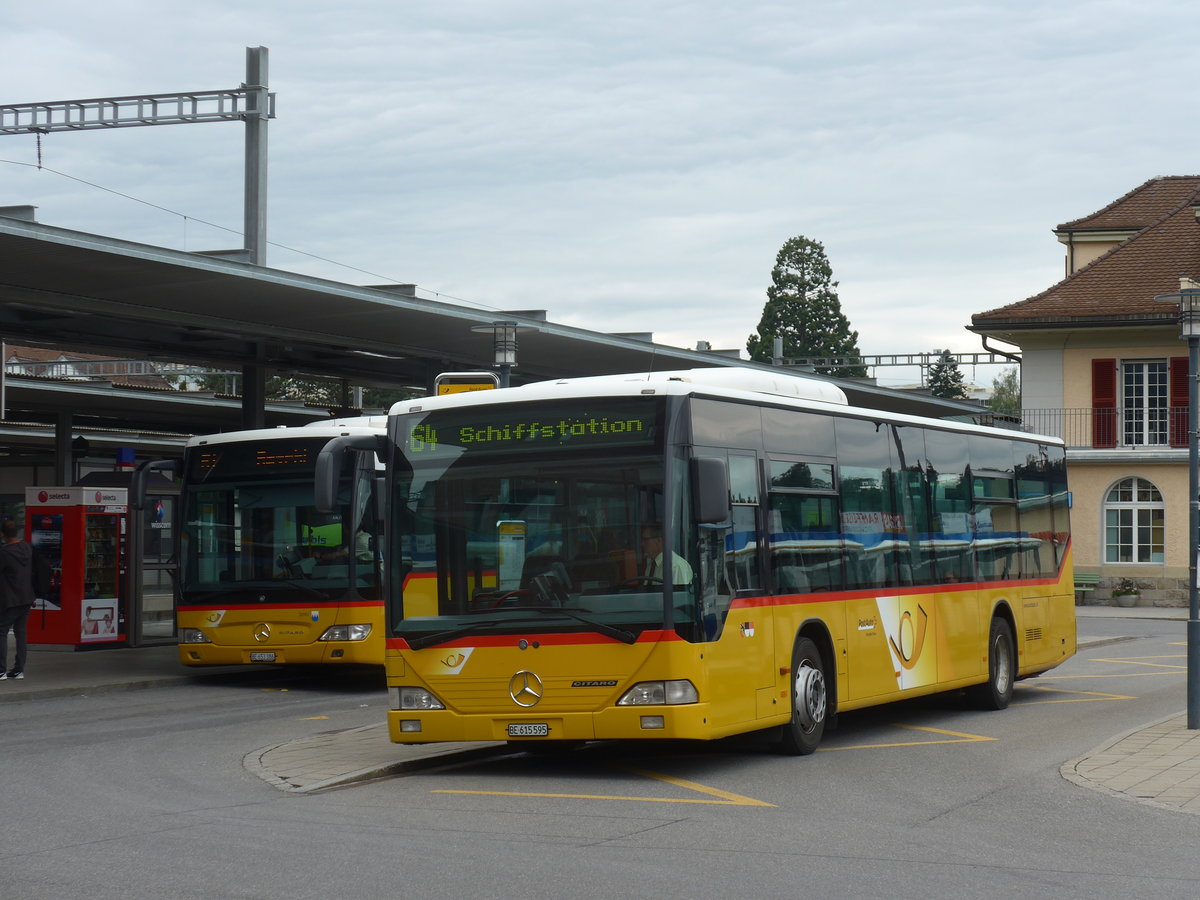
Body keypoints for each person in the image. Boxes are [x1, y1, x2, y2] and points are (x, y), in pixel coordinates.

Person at [0, 519, 37, 681]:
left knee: (1, 631)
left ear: (3, 535)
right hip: (26, 598)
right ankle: (18, 669)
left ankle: (1, 670)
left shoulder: (4, 553)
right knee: (21, 633)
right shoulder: (27, 548)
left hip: (10, 600)